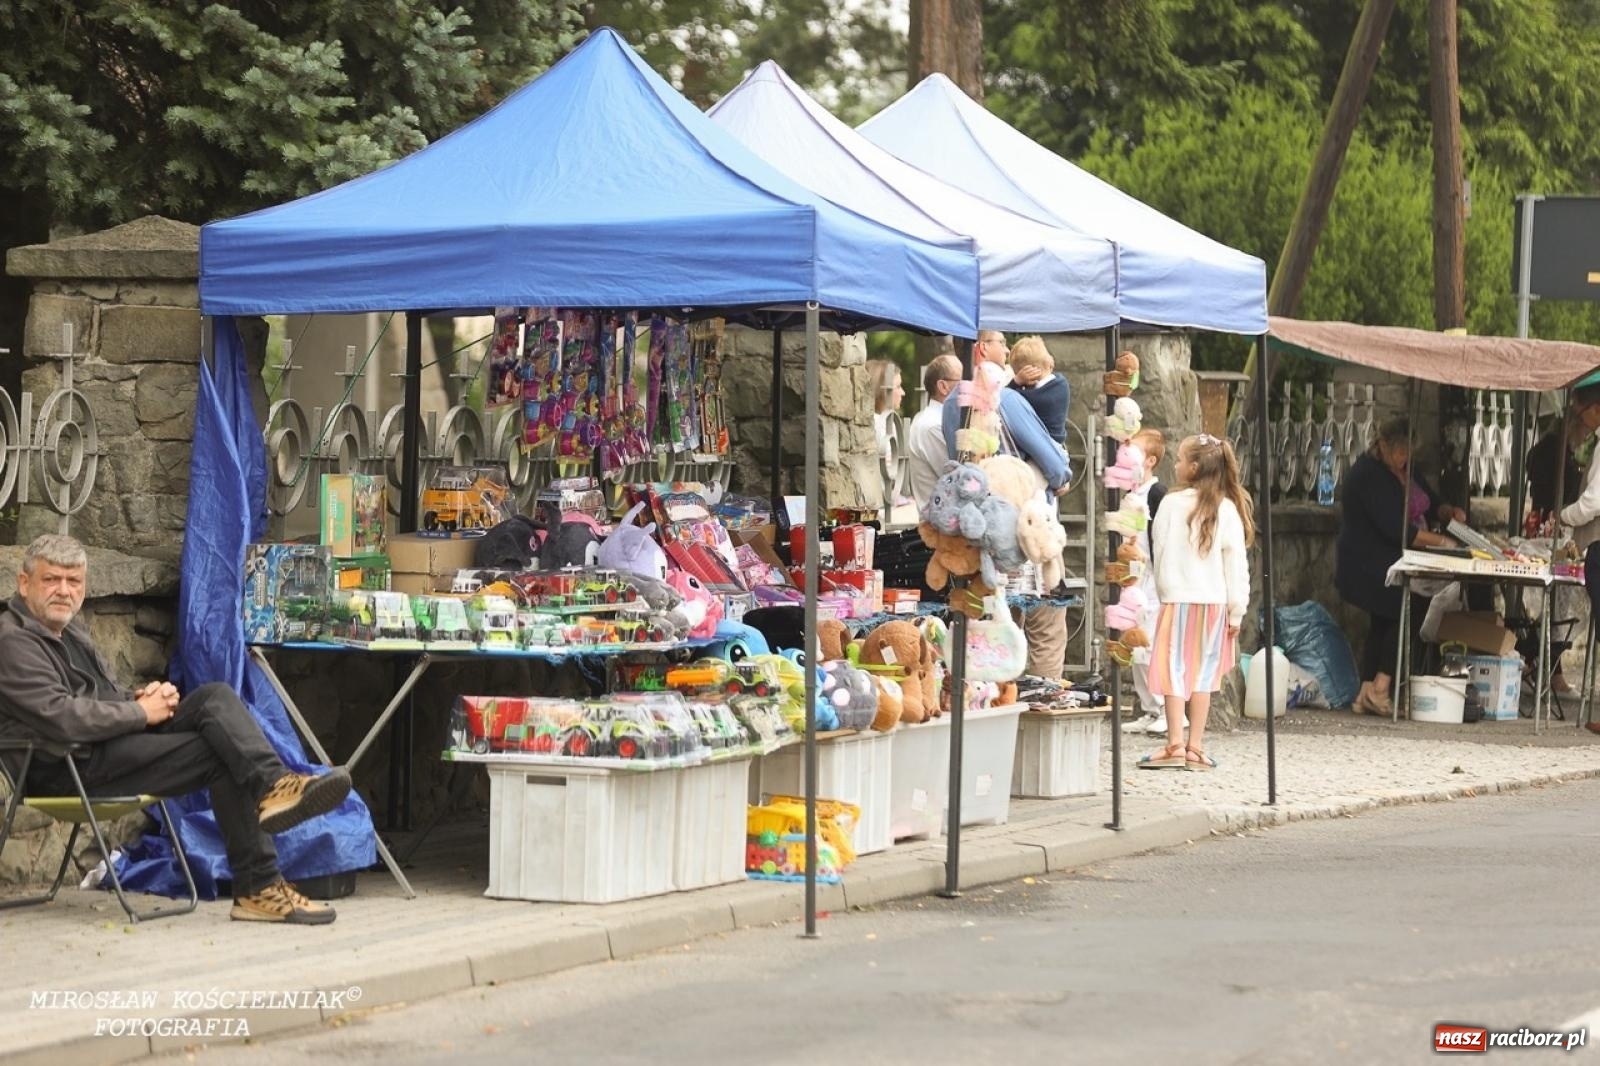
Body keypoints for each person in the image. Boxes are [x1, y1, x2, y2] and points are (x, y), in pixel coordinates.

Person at [0, 534, 353, 924]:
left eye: (74, 582)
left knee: (214, 698)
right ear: (24, 584)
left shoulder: (71, 631)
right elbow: (62, 717)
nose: (64, 591)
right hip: (63, 767)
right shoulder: (12, 641)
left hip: (102, 748)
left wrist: (138, 699)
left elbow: (102, 697)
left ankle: (275, 785)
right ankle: (259, 887)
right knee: (221, 753)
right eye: (52, 580)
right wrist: (141, 714)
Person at [941, 331, 1072, 678]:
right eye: (1001, 341)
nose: (1008, 349)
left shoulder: (951, 404)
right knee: (1045, 624)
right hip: (1020, 531)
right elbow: (1054, 464)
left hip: (975, 533)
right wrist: (1061, 478)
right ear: (982, 347)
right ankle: (1040, 707)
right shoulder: (1005, 399)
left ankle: (996, 701)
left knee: (991, 632)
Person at [1137, 434, 1254, 771]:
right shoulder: (1227, 509)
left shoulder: (1170, 505)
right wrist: (1237, 610)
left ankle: (1174, 743)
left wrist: (1164, 592)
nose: (1174, 465)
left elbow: (1158, 554)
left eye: (1178, 459)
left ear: (1193, 467)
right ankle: (1195, 747)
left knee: (1172, 671)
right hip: (1214, 604)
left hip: (1176, 602)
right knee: (1203, 675)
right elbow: (1236, 565)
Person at [1335, 417, 1465, 716]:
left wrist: (1448, 512)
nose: (1403, 457)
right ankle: (1380, 688)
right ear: (1382, 445)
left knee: (1383, 622)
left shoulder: (1407, 470)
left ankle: (1366, 692)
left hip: (1396, 559)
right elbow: (1399, 530)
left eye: (1408, 451)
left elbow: (1430, 502)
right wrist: (1445, 544)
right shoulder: (1368, 475)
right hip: (1369, 561)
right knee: (1403, 608)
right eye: (1398, 451)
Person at [1122, 428, 1176, 735]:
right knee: (1135, 646)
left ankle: (1164, 708)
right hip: (1133, 580)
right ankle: (1148, 706)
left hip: (1152, 581)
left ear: (1151, 460)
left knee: (1151, 644)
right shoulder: (1129, 494)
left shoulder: (1156, 494)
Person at [907, 354, 962, 510]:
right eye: (961, 381)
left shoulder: (934, 419)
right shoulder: (932, 425)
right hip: (942, 523)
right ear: (943, 386)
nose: (967, 386)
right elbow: (955, 478)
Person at [1008, 335, 1069, 447]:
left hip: (1044, 449)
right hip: (1057, 446)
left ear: (1030, 372)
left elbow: (1004, 398)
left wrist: (1017, 381)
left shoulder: (1033, 397)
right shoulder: (1061, 382)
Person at [867, 359, 906, 510]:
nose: (903, 392)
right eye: (898, 387)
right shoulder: (880, 425)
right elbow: (890, 474)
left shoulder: (886, 423)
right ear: (883, 391)